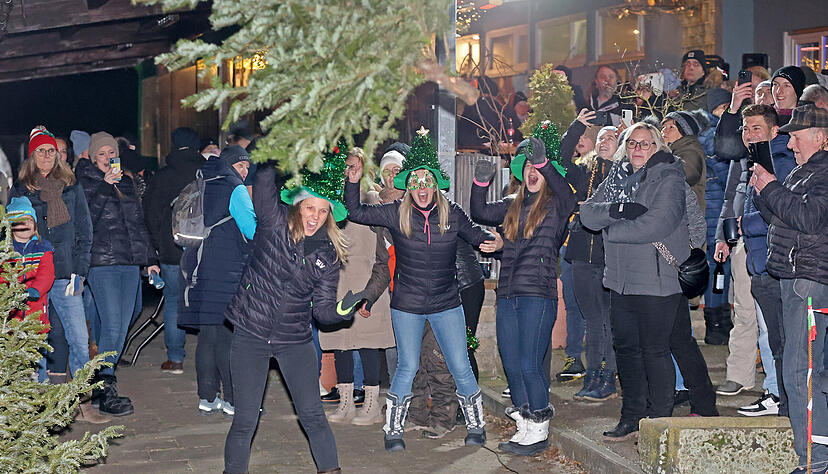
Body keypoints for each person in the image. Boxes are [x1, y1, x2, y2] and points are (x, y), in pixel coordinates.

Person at [344, 128, 500, 451]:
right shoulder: (394, 213)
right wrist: (353, 181)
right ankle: (393, 431)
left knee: (458, 363)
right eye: (416, 182)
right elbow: (356, 212)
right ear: (408, 185)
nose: (422, 189)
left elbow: (476, 235)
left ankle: (476, 426)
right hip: (408, 305)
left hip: (446, 303)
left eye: (428, 182)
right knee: (408, 365)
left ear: (436, 185)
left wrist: (496, 242)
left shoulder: (451, 214)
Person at [222, 150, 356, 474]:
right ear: (298, 204)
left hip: (294, 340)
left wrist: (341, 311)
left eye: (323, 211)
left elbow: (323, 311)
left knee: (312, 415)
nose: (315, 216)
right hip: (251, 333)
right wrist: (281, 139)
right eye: (310, 207)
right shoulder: (273, 221)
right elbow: (264, 176)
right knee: (245, 420)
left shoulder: (328, 254)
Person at [580, 122, 690, 441]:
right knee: (626, 350)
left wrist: (610, 229)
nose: (638, 149)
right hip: (620, 281)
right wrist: (620, 208)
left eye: (645, 143)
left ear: (658, 146)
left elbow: (657, 223)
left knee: (655, 350)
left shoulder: (669, 175)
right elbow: (588, 213)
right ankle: (632, 416)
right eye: (632, 144)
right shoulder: (616, 178)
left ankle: (658, 423)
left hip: (657, 282)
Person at [470, 136, 575, 455]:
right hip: (508, 294)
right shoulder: (512, 205)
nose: (531, 171)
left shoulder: (557, 205)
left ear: (547, 171)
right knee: (512, 363)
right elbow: (478, 210)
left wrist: (544, 162)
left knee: (530, 362)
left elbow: (569, 196)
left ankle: (539, 429)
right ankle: (524, 426)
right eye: (527, 166)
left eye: (538, 167)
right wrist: (480, 181)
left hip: (538, 295)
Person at [752, 104, 828, 473]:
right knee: (805, 373)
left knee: (802, 374)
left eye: (796, 137)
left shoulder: (824, 171)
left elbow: (810, 220)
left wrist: (772, 188)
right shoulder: (805, 172)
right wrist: (763, 192)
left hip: (809, 282)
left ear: (821, 137)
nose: (791, 144)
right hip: (796, 279)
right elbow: (783, 218)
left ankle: (813, 462)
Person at [75, 131, 158, 417]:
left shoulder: (128, 181)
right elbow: (85, 220)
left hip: (129, 261)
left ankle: (100, 369)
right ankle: (103, 386)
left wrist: (150, 260)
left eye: (112, 152)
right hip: (102, 262)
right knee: (113, 324)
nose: (109, 156)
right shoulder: (84, 182)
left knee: (129, 315)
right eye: (102, 153)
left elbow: (138, 222)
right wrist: (104, 188)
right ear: (92, 157)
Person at [178, 145, 256, 416]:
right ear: (229, 164)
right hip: (227, 269)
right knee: (228, 338)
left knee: (207, 337)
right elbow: (251, 227)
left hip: (199, 266)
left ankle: (207, 397)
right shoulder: (234, 187)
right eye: (240, 165)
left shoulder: (203, 180)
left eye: (247, 167)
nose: (244, 171)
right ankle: (233, 401)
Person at [10, 127, 92, 384]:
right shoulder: (22, 189)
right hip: (33, 274)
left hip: (65, 273)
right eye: (40, 151)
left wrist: (81, 270)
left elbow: (84, 230)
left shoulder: (71, 187)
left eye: (51, 151)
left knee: (79, 336)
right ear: (32, 156)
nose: (46, 156)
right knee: (36, 336)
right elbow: (11, 230)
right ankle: (39, 393)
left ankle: (82, 392)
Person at [319, 148, 394, 426]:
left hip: (366, 283)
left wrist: (370, 294)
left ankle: (372, 405)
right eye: (344, 167)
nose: (348, 171)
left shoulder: (372, 202)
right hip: (338, 283)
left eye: (353, 166)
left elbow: (383, 253)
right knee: (340, 344)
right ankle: (346, 402)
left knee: (368, 344)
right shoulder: (329, 201)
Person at [734, 104, 796, 417]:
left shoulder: (779, 161)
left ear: (774, 131)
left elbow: (784, 214)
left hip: (776, 263)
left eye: (756, 128)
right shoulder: (757, 159)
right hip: (760, 260)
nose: (748, 134)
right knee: (769, 335)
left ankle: (784, 400)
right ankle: (776, 393)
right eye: (745, 128)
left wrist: (745, 225)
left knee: (781, 339)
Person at [558, 110, 619, 401]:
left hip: (611, 255)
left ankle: (608, 377)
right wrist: (576, 127)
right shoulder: (585, 171)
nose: (605, 141)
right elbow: (560, 158)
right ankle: (593, 375)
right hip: (582, 253)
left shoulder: (626, 173)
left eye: (613, 137)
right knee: (592, 318)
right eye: (602, 137)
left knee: (608, 319)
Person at [143, 126, 207, 375]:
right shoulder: (205, 173)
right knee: (204, 302)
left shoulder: (162, 176)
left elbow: (149, 213)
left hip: (171, 251)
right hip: (203, 251)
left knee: (172, 302)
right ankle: (208, 358)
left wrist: (158, 245)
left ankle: (176, 358)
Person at [4, 196, 55, 383]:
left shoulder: (43, 248)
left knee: (36, 358)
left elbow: (47, 274)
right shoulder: (6, 252)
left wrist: (35, 290)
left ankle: (38, 393)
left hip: (36, 318)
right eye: (20, 221)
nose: (26, 224)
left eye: (29, 220)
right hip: (11, 319)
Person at [702, 90, 734, 345]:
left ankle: (715, 322)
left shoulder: (702, 134)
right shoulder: (716, 136)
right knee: (719, 270)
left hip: (707, 214)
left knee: (715, 270)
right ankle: (717, 323)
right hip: (716, 215)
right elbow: (728, 178)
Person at [661, 110, 708, 211]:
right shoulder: (674, 149)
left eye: (671, 127)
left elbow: (684, 177)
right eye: (664, 127)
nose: (665, 130)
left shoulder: (691, 151)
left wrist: (662, 152)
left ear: (684, 131)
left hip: (687, 216)